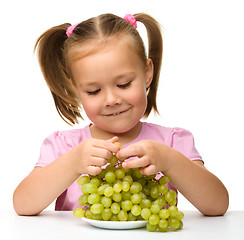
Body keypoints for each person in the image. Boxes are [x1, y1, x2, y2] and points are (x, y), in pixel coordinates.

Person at [13, 13, 229, 216]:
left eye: (124, 84)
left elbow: (218, 205)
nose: (111, 100)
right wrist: (71, 164)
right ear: (76, 89)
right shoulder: (64, 147)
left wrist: (171, 162)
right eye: (93, 91)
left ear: (147, 73)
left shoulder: (173, 142)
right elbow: (22, 205)